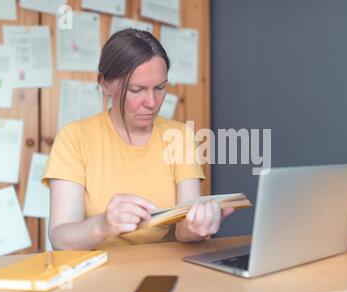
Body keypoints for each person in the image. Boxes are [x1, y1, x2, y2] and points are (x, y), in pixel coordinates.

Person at [42, 29, 234, 250]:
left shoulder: (180, 136)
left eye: (160, 88)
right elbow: (60, 237)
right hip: (101, 275)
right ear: (105, 85)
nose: (152, 102)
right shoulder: (74, 138)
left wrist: (196, 227)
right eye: (137, 89)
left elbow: (183, 231)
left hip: (167, 272)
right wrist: (104, 225)